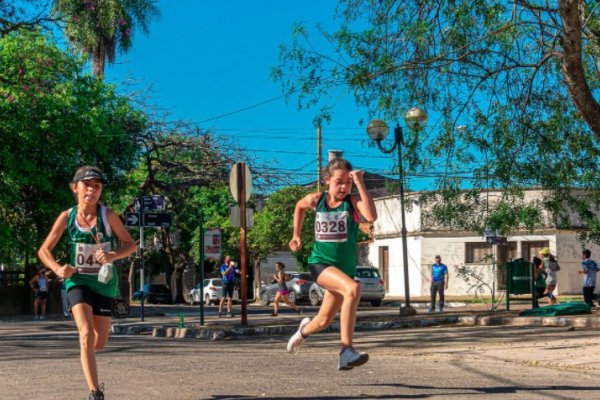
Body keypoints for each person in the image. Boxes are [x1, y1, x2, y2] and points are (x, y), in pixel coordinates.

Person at [38, 166, 137, 400]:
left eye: (97, 186)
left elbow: (130, 245)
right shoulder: (67, 217)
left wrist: (113, 256)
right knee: (85, 335)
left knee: (98, 343)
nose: (92, 190)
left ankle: (89, 357)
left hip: (103, 284)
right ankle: (95, 393)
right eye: (87, 185)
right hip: (77, 281)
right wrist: (58, 268)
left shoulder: (108, 215)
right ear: (75, 188)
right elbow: (43, 250)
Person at [287, 158, 377, 370]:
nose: (344, 186)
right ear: (327, 181)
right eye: (339, 181)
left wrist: (360, 182)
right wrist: (296, 235)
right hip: (320, 264)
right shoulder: (317, 199)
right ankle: (346, 350)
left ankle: (302, 332)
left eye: (348, 181)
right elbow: (299, 206)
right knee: (353, 288)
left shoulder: (353, 201)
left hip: (342, 270)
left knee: (324, 320)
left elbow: (371, 216)